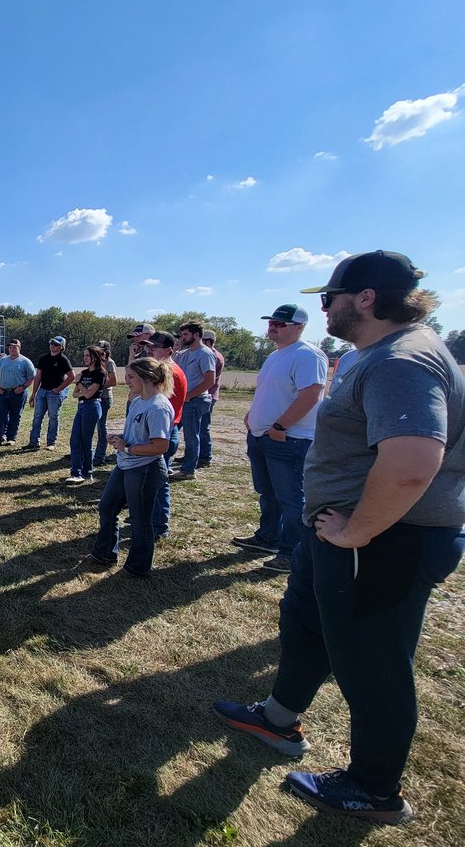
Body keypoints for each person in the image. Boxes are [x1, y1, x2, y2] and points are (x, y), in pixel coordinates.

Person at [214, 251, 464, 825]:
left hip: (381, 542)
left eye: (329, 298)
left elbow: (411, 462)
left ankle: (373, 788)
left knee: (373, 664)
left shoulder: (403, 359)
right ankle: (277, 718)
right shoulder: (378, 355)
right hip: (342, 534)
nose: (323, 308)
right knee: (305, 623)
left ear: (366, 297)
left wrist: (356, 532)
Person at [231, 305, 326, 574]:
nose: (273, 326)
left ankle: (290, 553)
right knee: (268, 492)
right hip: (263, 435)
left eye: (281, 323)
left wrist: (280, 426)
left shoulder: (308, 355)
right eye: (272, 321)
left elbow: (311, 395)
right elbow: (270, 392)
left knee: (291, 498)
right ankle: (268, 538)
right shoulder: (276, 355)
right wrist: (253, 416)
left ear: (299, 327)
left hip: (289, 438)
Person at [89, 357, 174, 577]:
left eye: (131, 376)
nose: (126, 380)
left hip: (145, 469)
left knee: (140, 520)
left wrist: (128, 447)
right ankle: (104, 553)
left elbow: (161, 446)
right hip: (126, 465)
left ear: (146, 378)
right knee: (107, 507)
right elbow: (134, 435)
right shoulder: (138, 400)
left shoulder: (159, 407)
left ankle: (137, 568)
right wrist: (120, 438)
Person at [145, 332, 188, 540]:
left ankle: (159, 526)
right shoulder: (164, 370)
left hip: (163, 431)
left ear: (170, 350)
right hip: (161, 430)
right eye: (148, 346)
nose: (149, 349)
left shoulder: (168, 372)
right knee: (153, 479)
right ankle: (153, 519)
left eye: (155, 347)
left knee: (158, 481)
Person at [170, 321, 217, 480]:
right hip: (183, 401)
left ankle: (189, 470)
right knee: (172, 432)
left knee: (191, 435)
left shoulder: (205, 353)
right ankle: (168, 464)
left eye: (185, 334)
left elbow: (209, 380)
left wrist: (189, 395)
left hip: (195, 400)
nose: (182, 338)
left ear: (196, 335)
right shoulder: (184, 353)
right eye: (181, 334)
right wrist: (174, 351)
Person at [24, 335, 75, 450]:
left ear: (62, 347)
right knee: (37, 417)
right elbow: (38, 377)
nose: (53, 346)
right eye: (52, 343)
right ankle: (34, 442)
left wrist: (59, 389)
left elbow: (72, 377)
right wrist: (34, 394)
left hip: (55, 393)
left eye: (56, 344)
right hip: (42, 391)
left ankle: (51, 443)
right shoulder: (44, 358)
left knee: (53, 417)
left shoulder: (63, 360)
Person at [65, 345, 105, 483]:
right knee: (74, 440)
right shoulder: (84, 373)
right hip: (81, 407)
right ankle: (76, 473)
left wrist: (79, 382)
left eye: (88, 355)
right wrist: (81, 386)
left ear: (95, 357)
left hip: (92, 407)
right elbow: (75, 394)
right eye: (84, 355)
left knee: (85, 441)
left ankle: (87, 472)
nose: (85, 358)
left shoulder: (100, 374)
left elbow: (88, 395)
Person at [0, 339, 36, 446]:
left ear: (19, 348)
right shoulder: (3, 360)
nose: (12, 349)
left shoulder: (25, 361)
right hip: (2, 393)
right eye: (10, 347)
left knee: (15, 415)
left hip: (17, 393)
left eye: (14, 347)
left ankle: (11, 438)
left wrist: (23, 387)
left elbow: (32, 377)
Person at [199, 330, 225, 468]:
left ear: (208, 341)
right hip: (207, 395)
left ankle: (205, 457)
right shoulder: (212, 354)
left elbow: (206, 378)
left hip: (208, 395)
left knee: (203, 427)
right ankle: (198, 455)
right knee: (198, 428)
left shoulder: (213, 356)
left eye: (202, 341)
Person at [93, 341, 119, 465]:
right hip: (94, 397)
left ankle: (100, 457)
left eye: (101, 350)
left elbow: (113, 381)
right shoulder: (96, 361)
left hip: (104, 398)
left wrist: (97, 386)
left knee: (101, 427)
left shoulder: (110, 363)